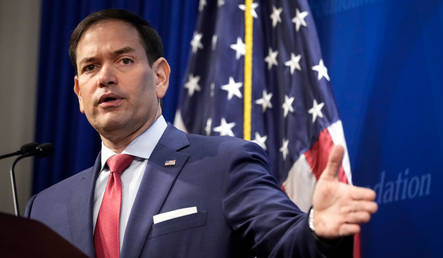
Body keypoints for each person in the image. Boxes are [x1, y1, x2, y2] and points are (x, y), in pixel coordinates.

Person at [25, 9, 377, 258]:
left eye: (124, 60)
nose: (105, 77)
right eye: (90, 67)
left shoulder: (225, 165)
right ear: (78, 93)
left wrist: (317, 225)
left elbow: (287, 245)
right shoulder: (44, 208)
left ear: (160, 76)